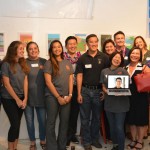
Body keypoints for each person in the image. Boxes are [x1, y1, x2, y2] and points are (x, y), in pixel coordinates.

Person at [76, 34, 109, 150]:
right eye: (91, 42)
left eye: (95, 42)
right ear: (87, 44)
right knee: (85, 119)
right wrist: (79, 93)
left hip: (98, 92)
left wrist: (105, 91)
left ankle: (95, 139)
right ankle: (86, 142)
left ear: (98, 42)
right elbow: (79, 76)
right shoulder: (82, 58)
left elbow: (107, 75)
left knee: (96, 118)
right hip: (85, 91)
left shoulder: (104, 57)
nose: (94, 44)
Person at [44, 40, 73, 150]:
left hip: (66, 97)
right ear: (51, 50)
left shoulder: (67, 62)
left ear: (62, 48)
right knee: (51, 123)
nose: (57, 49)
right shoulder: (48, 63)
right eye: (54, 47)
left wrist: (70, 94)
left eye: (59, 47)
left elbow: (70, 79)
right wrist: (58, 97)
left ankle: (61, 146)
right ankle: (51, 147)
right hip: (52, 97)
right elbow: (48, 82)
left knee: (64, 123)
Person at [1, 41, 29, 150]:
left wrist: (25, 98)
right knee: (15, 124)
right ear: (14, 50)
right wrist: (17, 99)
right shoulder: (6, 64)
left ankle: (15, 147)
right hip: (8, 98)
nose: (23, 51)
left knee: (17, 124)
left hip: (22, 98)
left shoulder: (23, 63)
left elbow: (26, 81)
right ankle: (10, 148)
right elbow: (7, 84)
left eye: (23, 49)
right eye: (21, 49)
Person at [100, 52, 130, 150]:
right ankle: (115, 145)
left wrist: (123, 91)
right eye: (115, 57)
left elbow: (128, 86)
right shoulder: (104, 71)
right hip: (109, 104)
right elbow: (103, 85)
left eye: (119, 58)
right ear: (111, 58)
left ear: (121, 61)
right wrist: (106, 91)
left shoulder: (124, 71)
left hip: (121, 104)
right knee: (112, 127)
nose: (117, 59)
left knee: (119, 127)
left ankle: (121, 148)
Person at [126, 47, 150, 150]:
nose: (134, 55)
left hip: (141, 97)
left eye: (137, 54)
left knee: (140, 120)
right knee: (131, 120)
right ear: (129, 54)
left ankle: (140, 141)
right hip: (128, 97)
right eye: (133, 53)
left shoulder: (144, 67)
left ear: (140, 56)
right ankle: (134, 139)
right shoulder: (124, 68)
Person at [24, 41, 46, 150]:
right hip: (27, 98)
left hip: (41, 98)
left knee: (42, 121)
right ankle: (32, 142)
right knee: (29, 122)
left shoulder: (44, 62)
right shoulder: (23, 62)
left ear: (38, 49)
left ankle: (43, 140)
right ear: (27, 51)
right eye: (30, 49)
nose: (33, 50)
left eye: (35, 48)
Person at [64, 36, 81, 146]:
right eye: (70, 44)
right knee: (66, 113)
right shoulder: (62, 58)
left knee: (75, 113)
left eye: (74, 43)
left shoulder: (81, 57)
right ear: (66, 46)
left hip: (77, 88)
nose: (72, 46)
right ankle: (65, 135)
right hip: (65, 89)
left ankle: (72, 134)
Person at [132, 36, 150, 139]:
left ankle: (145, 133)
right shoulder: (134, 55)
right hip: (136, 87)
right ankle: (138, 136)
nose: (139, 43)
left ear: (143, 42)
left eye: (140, 41)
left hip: (146, 84)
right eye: (136, 42)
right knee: (139, 112)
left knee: (144, 111)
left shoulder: (148, 53)